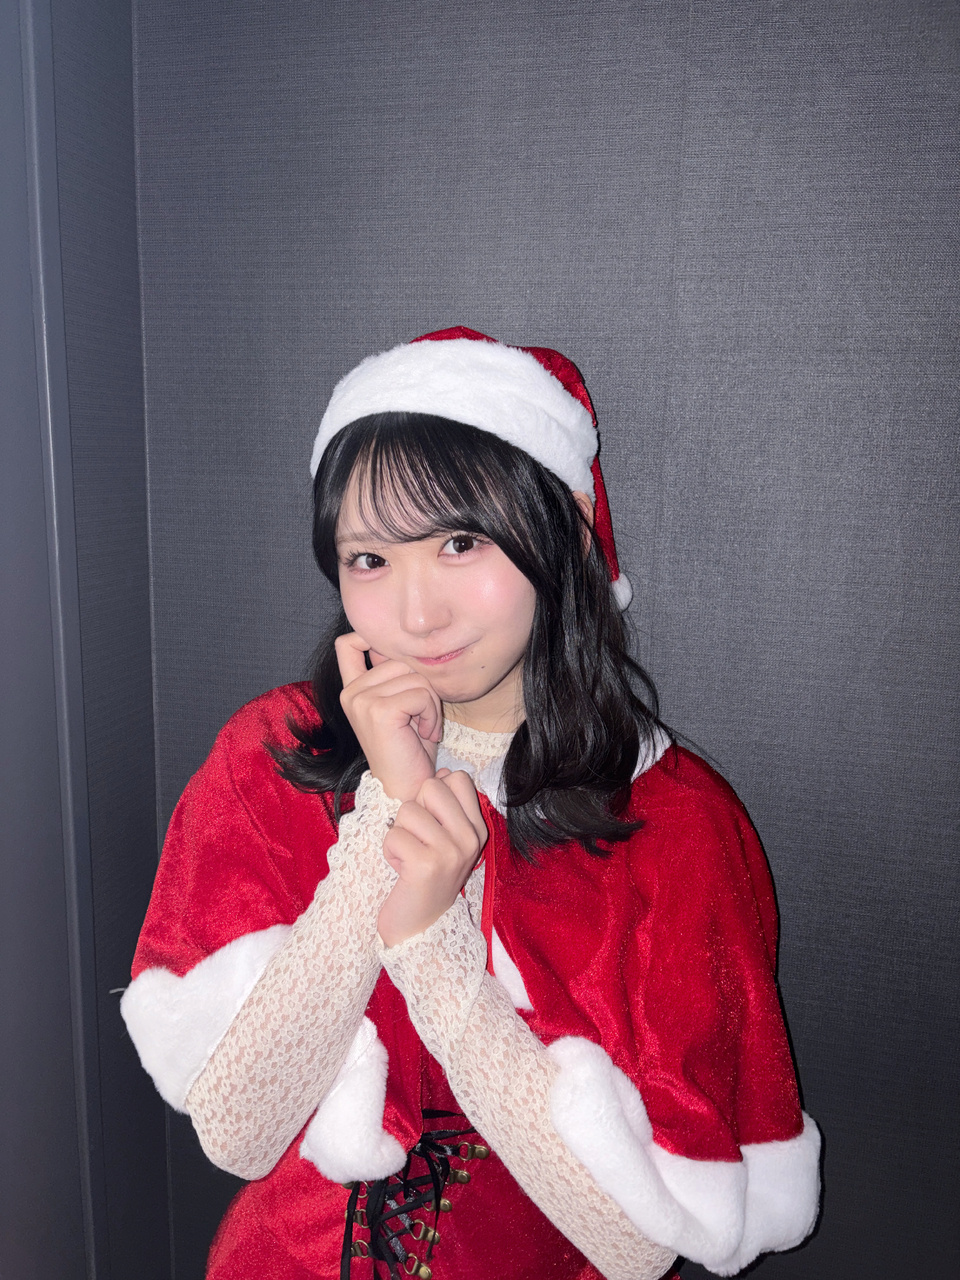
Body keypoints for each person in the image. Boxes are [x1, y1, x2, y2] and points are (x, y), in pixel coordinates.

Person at [122, 327, 820, 1280]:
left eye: (460, 542)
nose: (417, 615)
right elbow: (239, 1132)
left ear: (562, 533)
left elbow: (638, 1247)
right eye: (370, 559)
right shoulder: (274, 758)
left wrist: (429, 947)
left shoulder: (673, 824)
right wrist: (386, 811)